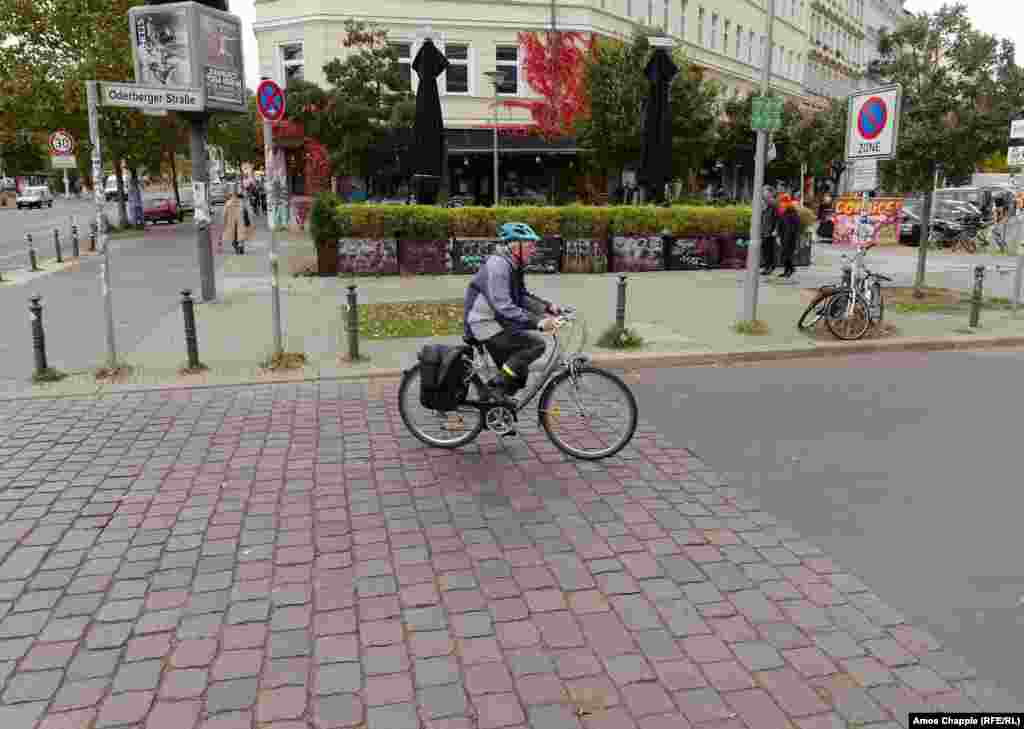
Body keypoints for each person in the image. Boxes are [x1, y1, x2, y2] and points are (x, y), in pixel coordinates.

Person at [464, 222, 562, 401]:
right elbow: (504, 306)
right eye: (530, 245)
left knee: (519, 376)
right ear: (516, 245)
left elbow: (521, 297)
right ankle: (495, 388)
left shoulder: (513, 264)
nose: (533, 249)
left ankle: (498, 408)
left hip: (497, 323)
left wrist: (547, 307)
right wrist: (539, 322)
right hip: (484, 324)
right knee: (536, 345)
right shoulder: (498, 265)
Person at [776, 193, 802, 278]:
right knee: (784, 254)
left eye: (783, 201)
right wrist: (778, 235)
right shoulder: (782, 212)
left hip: (791, 237)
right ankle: (789, 269)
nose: (781, 204)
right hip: (784, 236)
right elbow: (780, 224)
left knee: (787, 254)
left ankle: (789, 270)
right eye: (781, 201)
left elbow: (797, 226)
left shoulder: (792, 212)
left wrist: (796, 236)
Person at [221, 189, 250, 254]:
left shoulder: (228, 203)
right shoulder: (241, 202)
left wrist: (224, 222)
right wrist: (247, 221)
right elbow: (245, 211)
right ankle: (240, 246)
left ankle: (237, 246)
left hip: (231, 222)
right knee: (240, 234)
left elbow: (225, 214)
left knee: (234, 235)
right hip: (240, 221)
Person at [759, 186, 779, 275]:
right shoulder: (764, 204)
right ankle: (767, 266)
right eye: (763, 192)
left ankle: (769, 267)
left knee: (769, 250)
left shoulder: (773, 204)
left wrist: (776, 230)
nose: (764, 194)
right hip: (764, 230)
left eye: (766, 192)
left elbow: (778, 218)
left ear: (770, 193)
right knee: (765, 249)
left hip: (770, 230)